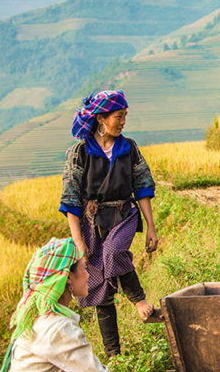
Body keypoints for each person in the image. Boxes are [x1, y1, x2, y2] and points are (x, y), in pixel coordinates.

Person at [60, 90, 158, 357]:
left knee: (114, 252)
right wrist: (78, 241)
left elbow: (143, 187)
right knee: (99, 286)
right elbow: (70, 199)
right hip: (91, 224)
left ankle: (138, 300)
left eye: (125, 116)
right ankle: (114, 354)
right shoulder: (79, 153)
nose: (123, 121)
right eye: (119, 116)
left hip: (123, 215)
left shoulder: (129, 148)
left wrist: (150, 226)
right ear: (101, 118)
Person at [0, 237, 109, 371]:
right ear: (68, 277)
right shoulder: (58, 327)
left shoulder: (38, 318)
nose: (88, 275)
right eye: (85, 269)